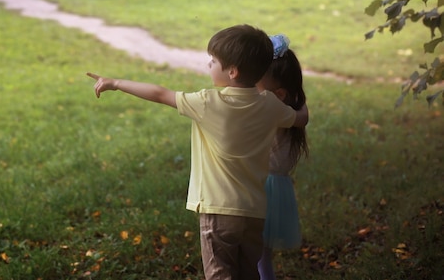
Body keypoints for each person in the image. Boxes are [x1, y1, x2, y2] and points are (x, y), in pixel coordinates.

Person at [87, 24, 309, 280]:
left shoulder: (207, 103)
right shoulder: (270, 105)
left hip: (218, 210)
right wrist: (300, 99)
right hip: (254, 212)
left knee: (220, 274)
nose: (209, 65)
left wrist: (115, 82)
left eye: (213, 61)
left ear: (233, 71)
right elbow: (299, 119)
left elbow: (159, 94)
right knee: (248, 273)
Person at [256, 34, 309, 280]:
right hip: (275, 187)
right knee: (261, 254)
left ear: (278, 94)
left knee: (255, 252)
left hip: (260, 188)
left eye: (254, 85)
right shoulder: (293, 109)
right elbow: (304, 115)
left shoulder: (270, 110)